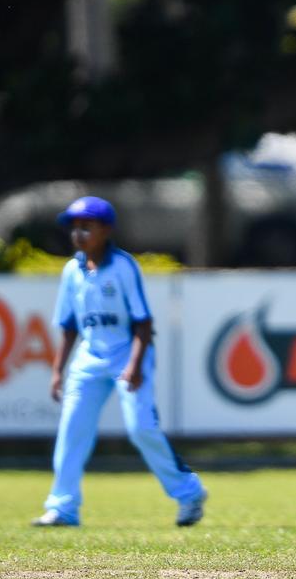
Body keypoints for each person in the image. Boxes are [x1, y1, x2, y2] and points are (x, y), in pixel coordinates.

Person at [32, 196, 208, 528]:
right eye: (75, 228)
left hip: (129, 354)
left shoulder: (123, 267)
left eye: (87, 227)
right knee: (72, 430)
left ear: (106, 229)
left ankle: (189, 492)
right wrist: (58, 370)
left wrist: (135, 366)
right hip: (89, 359)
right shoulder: (73, 271)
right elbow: (69, 326)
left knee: (141, 428)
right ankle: (63, 508)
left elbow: (143, 323)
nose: (79, 234)